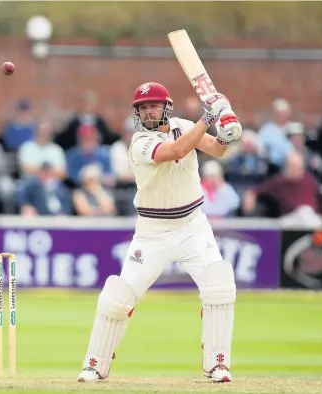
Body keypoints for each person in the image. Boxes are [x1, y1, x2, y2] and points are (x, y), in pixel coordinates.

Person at [76, 82, 242, 384]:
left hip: (193, 226)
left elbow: (216, 149)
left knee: (219, 283)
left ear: (167, 106)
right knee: (118, 296)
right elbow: (177, 150)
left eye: (153, 105)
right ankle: (94, 365)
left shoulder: (184, 125)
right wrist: (208, 115)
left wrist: (227, 128)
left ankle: (218, 364)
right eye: (142, 107)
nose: (148, 110)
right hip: (153, 233)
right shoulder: (139, 143)